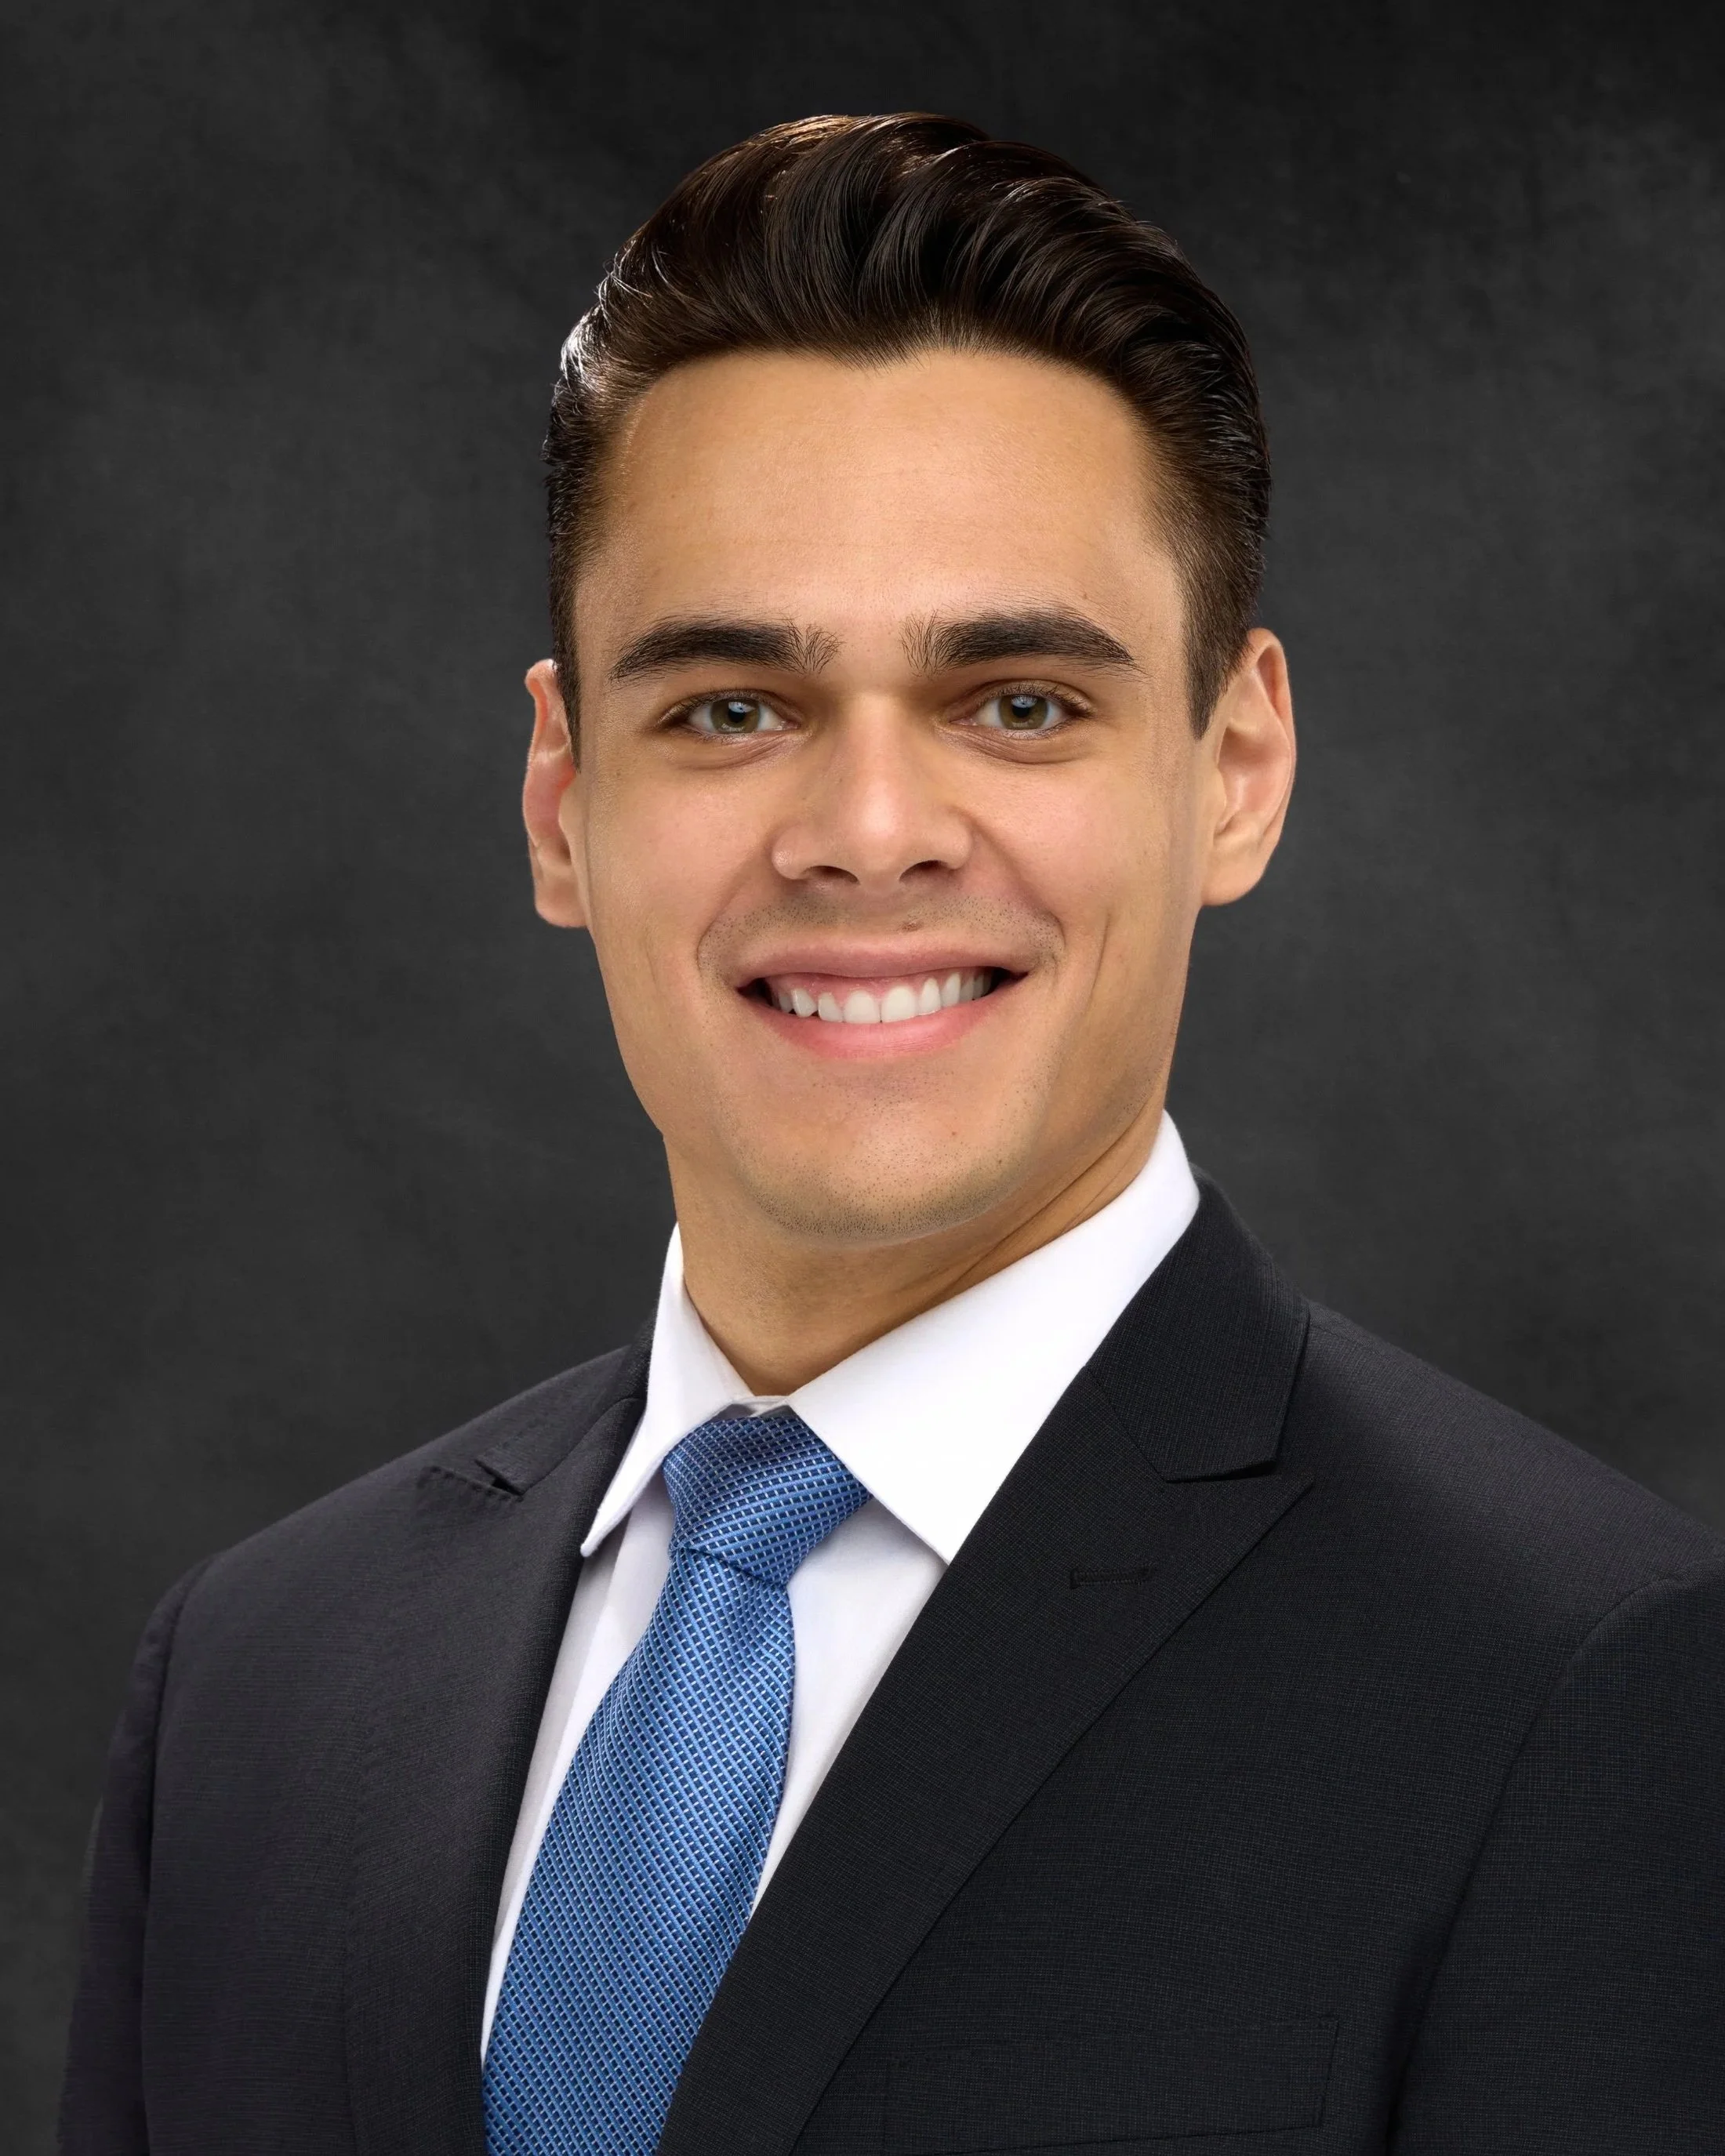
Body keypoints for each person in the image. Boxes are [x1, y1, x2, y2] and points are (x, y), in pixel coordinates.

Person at [60, 113, 1725, 2156]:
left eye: (1018, 699)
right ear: (561, 801)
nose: (866, 831)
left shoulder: (1586, 1692)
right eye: (732, 706)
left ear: (1237, 768)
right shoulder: (259, 1682)